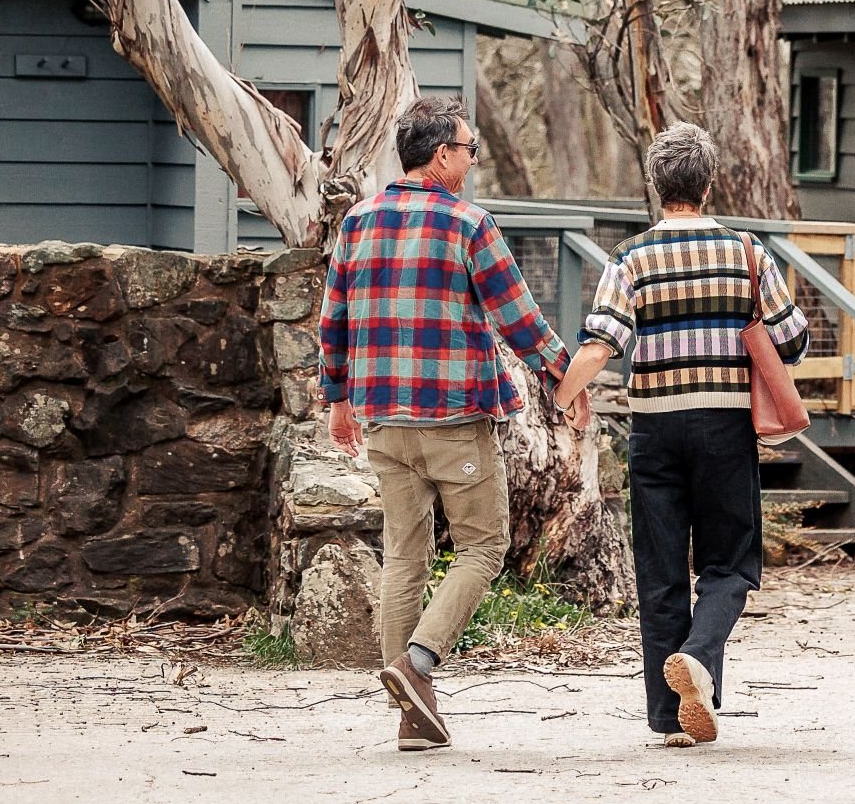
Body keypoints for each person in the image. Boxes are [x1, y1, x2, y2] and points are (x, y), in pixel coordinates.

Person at [319, 94, 584, 752]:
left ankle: (414, 722)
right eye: (468, 149)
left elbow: (335, 321)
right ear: (441, 156)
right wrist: (566, 376)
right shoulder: (469, 224)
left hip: (383, 419)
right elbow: (520, 319)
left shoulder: (358, 221)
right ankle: (419, 663)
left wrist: (338, 398)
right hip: (454, 419)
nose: (470, 159)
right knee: (483, 547)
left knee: (405, 557)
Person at [554, 123, 807, 747]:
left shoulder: (631, 259)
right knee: (731, 565)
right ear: (710, 181)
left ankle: (671, 718)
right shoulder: (747, 253)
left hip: (656, 433)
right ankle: (699, 654)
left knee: (660, 571)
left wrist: (563, 397)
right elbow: (793, 339)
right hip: (724, 428)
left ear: (655, 185)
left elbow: (601, 346)